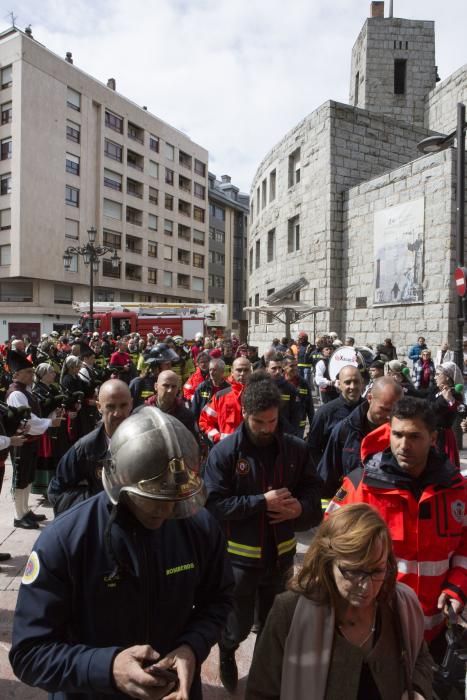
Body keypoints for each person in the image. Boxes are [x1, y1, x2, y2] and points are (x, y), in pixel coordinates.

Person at [10, 407, 233, 700]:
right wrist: (107, 667)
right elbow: (29, 654)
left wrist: (192, 646)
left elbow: (219, 600)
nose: (167, 511)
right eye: (154, 500)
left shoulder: (199, 527)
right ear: (119, 482)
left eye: (175, 499)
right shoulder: (64, 541)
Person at [204, 373, 322, 692]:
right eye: (259, 422)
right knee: (237, 627)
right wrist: (260, 502)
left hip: (281, 558)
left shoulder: (295, 449)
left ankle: (261, 679)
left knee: (272, 628)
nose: (267, 428)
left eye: (272, 421)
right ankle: (227, 650)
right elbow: (213, 505)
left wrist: (300, 508)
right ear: (245, 414)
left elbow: (314, 491)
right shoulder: (225, 454)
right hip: (239, 564)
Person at [246, 504, 432, 700]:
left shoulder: (401, 607)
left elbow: (420, 658)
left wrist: (418, 691)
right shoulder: (289, 612)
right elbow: (261, 692)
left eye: (377, 570)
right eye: (353, 571)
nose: (366, 587)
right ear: (327, 562)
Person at [327, 397, 467, 647]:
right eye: (398, 435)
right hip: (377, 630)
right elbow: (329, 545)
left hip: (437, 632)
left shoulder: (457, 489)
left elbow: (464, 547)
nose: (404, 445)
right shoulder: (360, 486)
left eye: (414, 437)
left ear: (433, 439)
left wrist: (457, 587)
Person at [47, 379, 133, 514]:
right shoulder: (85, 448)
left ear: (131, 404)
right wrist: (95, 504)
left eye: (123, 405)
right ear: (99, 407)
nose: (118, 413)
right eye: (111, 406)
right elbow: (56, 491)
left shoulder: (144, 442)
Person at [318, 377, 403, 498]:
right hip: (352, 506)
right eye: (384, 409)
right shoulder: (345, 430)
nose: (389, 416)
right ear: (369, 398)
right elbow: (327, 476)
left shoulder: (402, 436)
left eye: (394, 411)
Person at [6, 351, 63, 529]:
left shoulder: (25, 391)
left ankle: (25, 510)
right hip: (21, 442)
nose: (32, 375)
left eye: (32, 371)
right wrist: (49, 422)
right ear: (17, 374)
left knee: (28, 477)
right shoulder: (16, 394)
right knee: (20, 478)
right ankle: (18, 514)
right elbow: (27, 420)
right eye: (28, 372)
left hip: (30, 441)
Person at [308, 364, 364, 465]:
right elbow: (313, 449)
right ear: (340, 385)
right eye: (347, 382)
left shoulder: (369, 409)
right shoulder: (325, 413)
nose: (352, 386)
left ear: (362, 383)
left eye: (356, 382)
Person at [198, 356, 252, 445]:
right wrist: (216, 437)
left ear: (251, 372)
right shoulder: (220, 397)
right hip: (225, 449)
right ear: (232, 372)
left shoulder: (258, 396)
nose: (242, 374)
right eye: (239, 370)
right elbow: (205, 421)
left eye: (246, 370)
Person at [145, 370, 198, 439]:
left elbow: (194, 444)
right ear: (156, 386)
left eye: (173, 387)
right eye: (166, 385)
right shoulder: (143, 413)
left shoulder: (187, 416)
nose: (170, 390)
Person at [191, 358, 229, 423]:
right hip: (204, 424)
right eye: (210, 369)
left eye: (214, 370)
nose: (211, 372)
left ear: (222, 371)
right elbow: (195, 409)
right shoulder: (202, 387)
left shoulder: (228, 389)